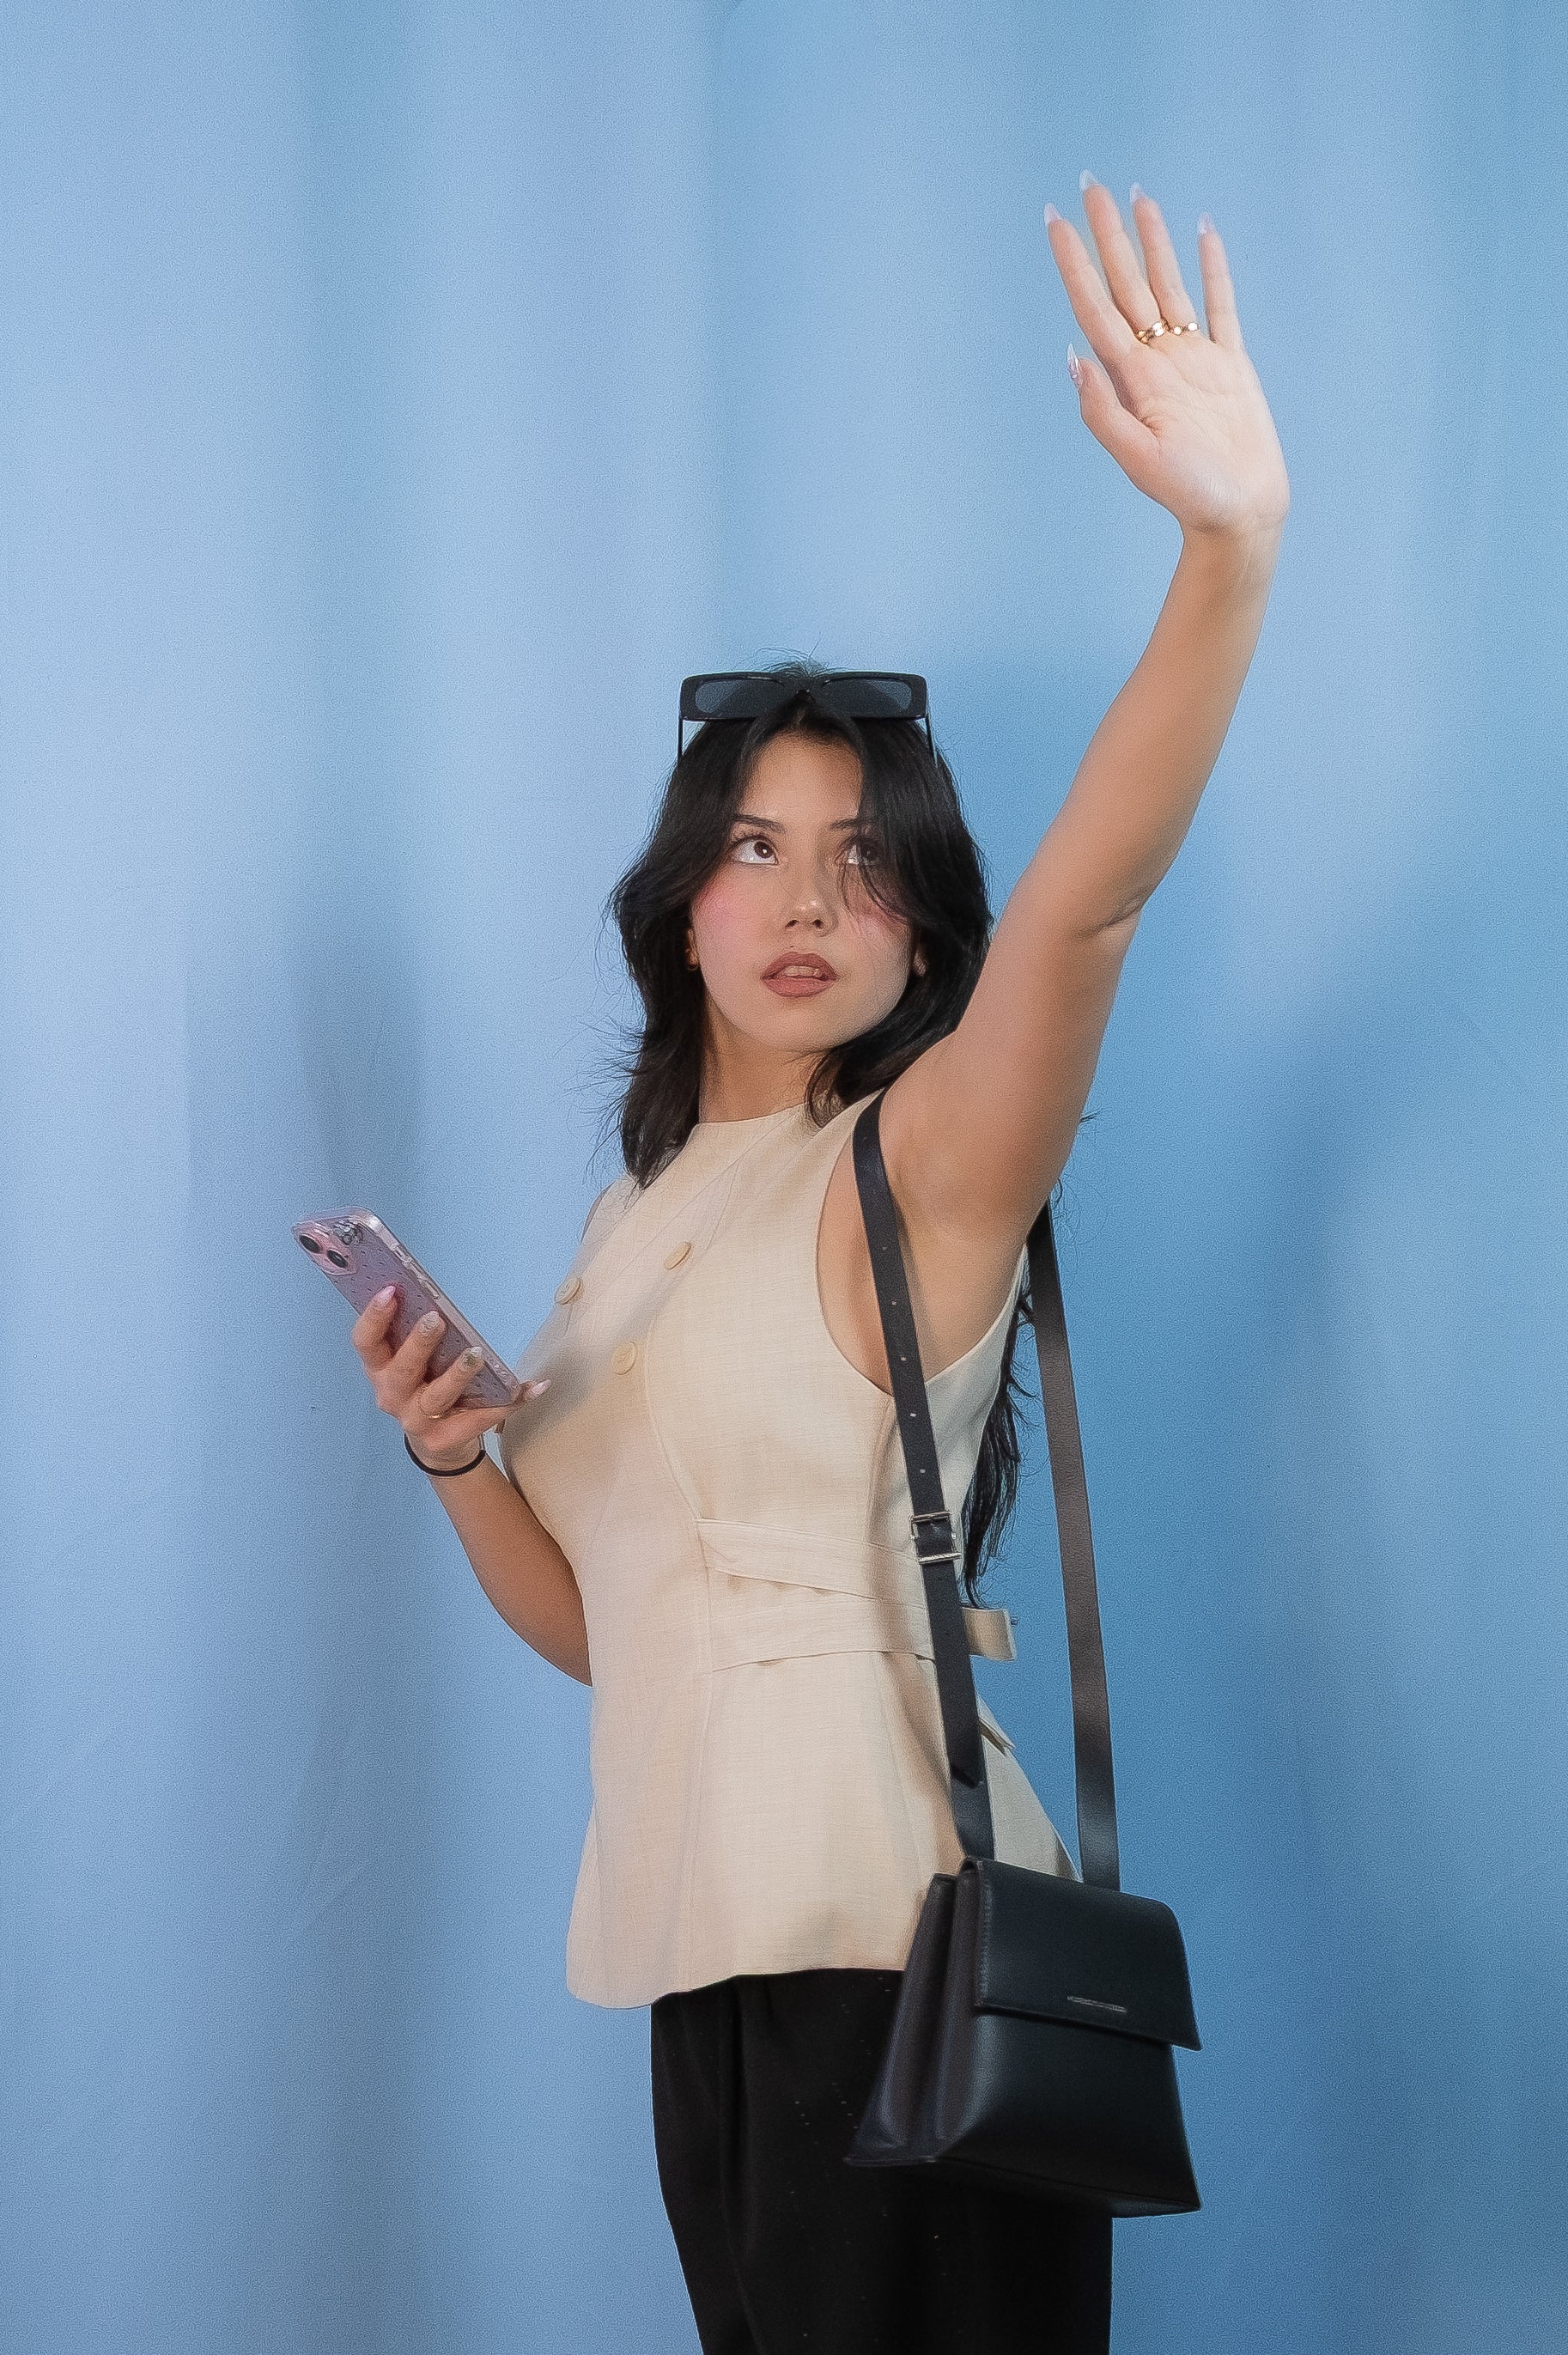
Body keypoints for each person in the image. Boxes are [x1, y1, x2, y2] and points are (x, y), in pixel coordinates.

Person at [349, 178, 1287, 2353]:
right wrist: (457, 1459)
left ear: (921, 926)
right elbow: (621, 1631)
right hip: (706, 1942)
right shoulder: (640, 1219)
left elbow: (1085, 910)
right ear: (677, 901)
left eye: (861, 864)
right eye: (753, 849)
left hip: (893, 1943)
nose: (799, 903)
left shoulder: (928, 1154)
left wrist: (1225, 550)